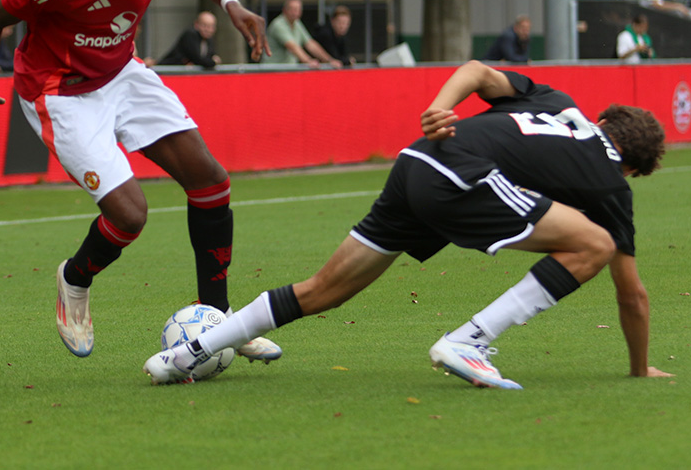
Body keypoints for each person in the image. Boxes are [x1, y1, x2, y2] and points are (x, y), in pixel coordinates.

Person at [144, 60, 672, 389]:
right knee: (596, 243)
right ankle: (471, 341)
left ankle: (186, 354)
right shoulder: (611, 183)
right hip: (464, 177)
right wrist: (639, 368)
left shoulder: (556, 103)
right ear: (631, 165)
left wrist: (438, 109)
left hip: (418, 159)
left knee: (324, 290)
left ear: (602, 121)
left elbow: (476, 71)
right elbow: (633, 297)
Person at [0, 0, 281, 363]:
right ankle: (75, 278)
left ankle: (219, 320)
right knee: (130, 215)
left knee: (211, 181)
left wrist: (231, 5)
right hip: (61, 91)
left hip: (122, 73)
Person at [263, 0, 342, 68]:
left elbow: (310, 44)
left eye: (297, 9)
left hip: (286, 71)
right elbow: (292, 46)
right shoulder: (278, 24)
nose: (295, 13)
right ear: (284, 10)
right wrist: (308, 61)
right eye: (292, 9)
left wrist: (330, 60)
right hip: (272, 70)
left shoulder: (297, 23)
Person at [156, 11, 221, 68]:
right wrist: (214, 62)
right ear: (196, 24)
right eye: (204, 25)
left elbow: (209, 57)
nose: (208, 30)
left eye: (211, 26)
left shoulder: (208, 40)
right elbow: (198, 59)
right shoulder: (190, 35)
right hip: (168, 72)